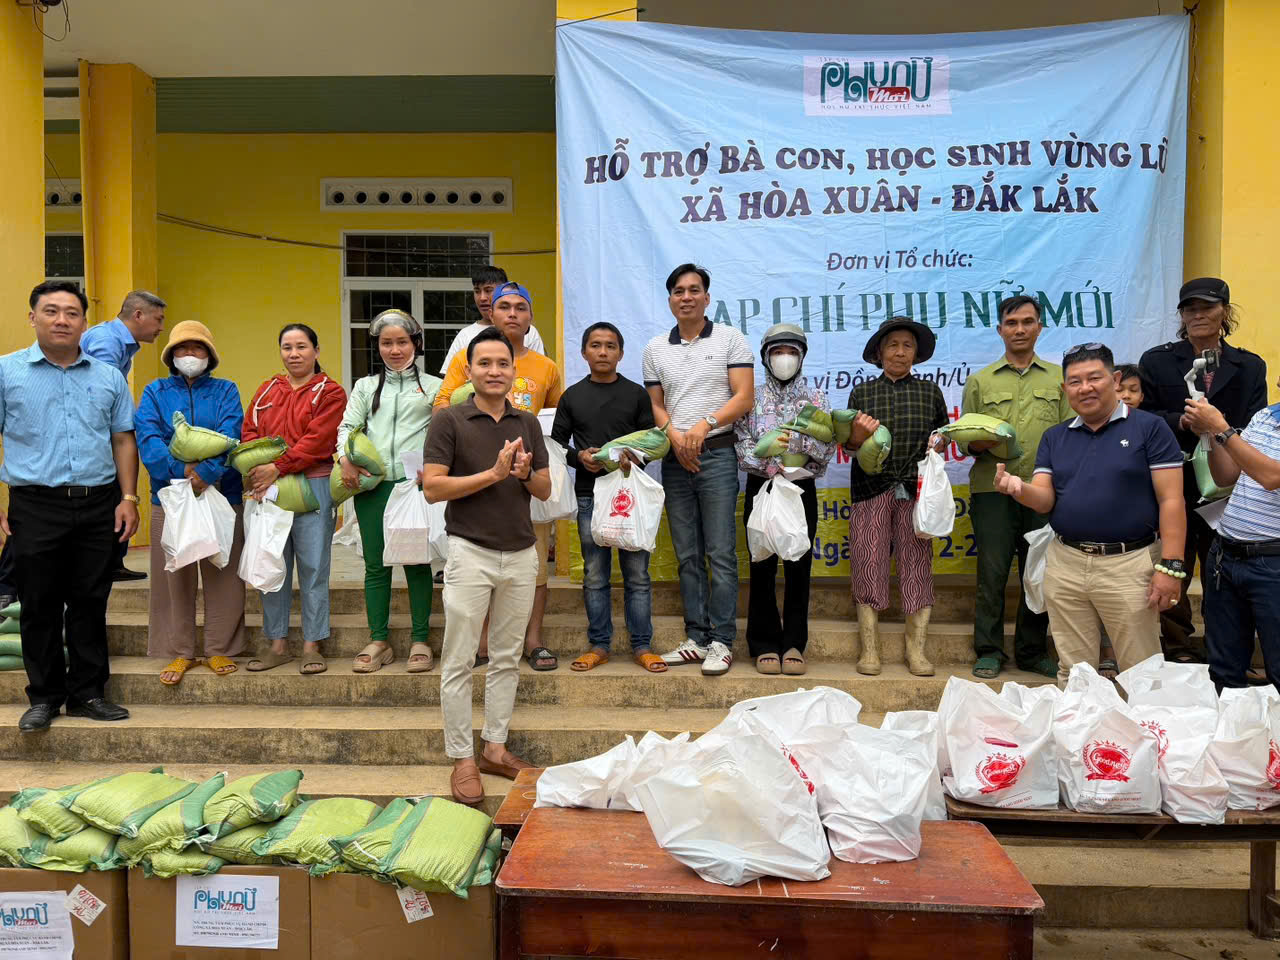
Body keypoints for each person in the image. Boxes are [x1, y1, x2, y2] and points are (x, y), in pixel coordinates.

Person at [994, 343, 1187, 686]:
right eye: (1075, 381)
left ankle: (1142, 737)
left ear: (1114, 380)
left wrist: (1170, 566)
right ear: (1064, 389)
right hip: (1066, 563)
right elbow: (1044, 500)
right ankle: (1083, 739)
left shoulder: (1150, 428)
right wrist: (1018, 488)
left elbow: (1172, 500)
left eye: (1094, 378)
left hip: (1129, 565)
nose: (1085, 388)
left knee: (1140, 673)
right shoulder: (1055, 437)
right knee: (1074, 672)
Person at [1, 281, 139, 731]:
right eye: (51, 311)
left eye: (72, 313)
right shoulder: (7, 372)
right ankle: (43, 697)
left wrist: (129, 497)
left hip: (98, 503)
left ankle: (88, 694)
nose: (62, 320)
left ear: (84, 321)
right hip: (34, 503)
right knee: (38, 603)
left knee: (89, 601)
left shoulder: (108, 376)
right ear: (33, 317)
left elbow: (122, 438)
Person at [423, 325, 551, 806]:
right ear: (469, 369)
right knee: (458, 659)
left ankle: (494, 747)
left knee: (506, 657)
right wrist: (492, 475)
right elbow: (433, 487)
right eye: (485, 364)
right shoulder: (449, 420)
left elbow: (544, 489)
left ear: (514, 371)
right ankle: (461, 757)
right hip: (469, 550)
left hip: (520, 552)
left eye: (503, 364)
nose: (494, 371)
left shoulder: (528, 422)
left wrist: (521, 475)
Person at [1139, 278, 1268, 663]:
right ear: (1181, 315)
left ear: (1224, 312)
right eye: (1189, 308)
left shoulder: (1249, 365)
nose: (1198, 315)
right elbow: (1141, 417)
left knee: (1223, 572)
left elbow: (1255, 423)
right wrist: (1182, 422)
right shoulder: (1157, 360)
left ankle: (1223, 652)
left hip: (1229, 487)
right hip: (1171, 481)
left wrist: (1219, 428)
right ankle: (1177, 648)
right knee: (1172, 562)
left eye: (1207, 307)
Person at [436, 282, 562, 669]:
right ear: (491, 313)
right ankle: (485, 640)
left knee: (533, 562)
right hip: (475, 482)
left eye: (520, 308)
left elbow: (556, 416)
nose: (511, 314)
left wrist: (529, 464)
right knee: (483, 562)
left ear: (530, 317)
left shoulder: (546, 366)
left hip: (527, 477)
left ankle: (533, 638)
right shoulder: (465, 358)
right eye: (503, 306)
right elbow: (443, 403)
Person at [643, 264, 754, 676]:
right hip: (675, 459)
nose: (686, 297)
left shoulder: (729, 338)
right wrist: (675, 436)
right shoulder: (655, 347)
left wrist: (703, 427)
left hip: (718, 455)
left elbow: (744, 397)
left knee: (720, 553)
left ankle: (722, 641)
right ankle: (697, 636)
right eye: (678, 291)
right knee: (687, 554)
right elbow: (655, 404)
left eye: (694, 290)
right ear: (670, 299)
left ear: (707, 297)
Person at [961, 295, 1071, 680]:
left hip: (1042, 489)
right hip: (992, 490)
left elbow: (1070, 436)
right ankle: (988, 650)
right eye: (1012, 323)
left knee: (1036, 571)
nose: (1020, 329)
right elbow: (964, 442)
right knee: (991, 573)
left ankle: (1030, 650)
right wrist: (980, 443)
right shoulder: (981, 380)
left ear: (1040, 327)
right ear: (1000, 330)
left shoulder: (1060, 378)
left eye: (1028, 322)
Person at [134, 320, 247, 685]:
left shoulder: (226, 390)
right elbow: (147, 437)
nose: (190, 356)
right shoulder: (155, 391)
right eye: (182, 349)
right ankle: (179, 651)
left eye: (197, 349)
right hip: (169, 496)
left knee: (224, 574)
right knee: (173, 573)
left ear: (210, 355)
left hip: (220, 494)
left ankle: (219, 648)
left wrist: (208, 472)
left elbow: (232, 435)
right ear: (171, 355)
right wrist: (181, 469)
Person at [551, 322, 661, 673]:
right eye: (595, 345)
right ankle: (599, 644)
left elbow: (652, 443)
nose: (603, 352)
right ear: (583, 352)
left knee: (638, 575)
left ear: (621, 353)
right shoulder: (572, 396)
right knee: (595, 575)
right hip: (589, 497)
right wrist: (578, 457)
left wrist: (634, 455)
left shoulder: (636, 395)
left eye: (610, 346)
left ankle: (642, 645)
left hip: (630, 495)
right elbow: (556, 445)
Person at [337, 309, 442, 674]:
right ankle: (378, 639)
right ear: (377, 347)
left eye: (402, 342)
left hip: (412, 488)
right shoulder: (366, 387)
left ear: (416, 343)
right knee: (375, 566)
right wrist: (345, 459)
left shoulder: (433, 387)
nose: (395, 350)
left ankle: (419, 640)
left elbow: (445, 434)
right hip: (373, 487)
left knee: (416, 564)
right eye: (386, 343)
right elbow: (348, 426)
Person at [846, 317, 949, 678]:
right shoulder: (862, 394)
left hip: (915, 491)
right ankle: (869, 651)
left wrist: (941, 441)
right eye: (893, 345)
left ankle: (915, 651)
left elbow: (943, 437)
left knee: (917, 563)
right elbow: (850, 445)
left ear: (916, 354)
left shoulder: (930, 392)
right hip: (869, 489)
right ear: (879, 352)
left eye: (907, 345)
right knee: (867, 561)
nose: (900, 352)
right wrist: (857, 435)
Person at [242, 323, 346, 675]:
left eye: (302, 347)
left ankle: (312, 644)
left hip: (312, 485)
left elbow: (318, 441)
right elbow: (250, 433)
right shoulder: (267, 389)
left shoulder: (330, 392)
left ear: (317, 351)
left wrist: (278, 466)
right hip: (268, 488)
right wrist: (261, 467)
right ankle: (277, 644)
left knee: (314, 566)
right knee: (273, 563)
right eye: (287, 347)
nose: (294, 354)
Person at [734, 323, 835, 676]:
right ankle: (762, 643)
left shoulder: (818, 398)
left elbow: (826, 450)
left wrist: (797, 444)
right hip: (761, 486)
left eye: (792, 352)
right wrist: (767, 457)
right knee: (760, 562)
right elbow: (741, 444)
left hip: (800, 488)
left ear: (802, 356)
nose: (785, 358)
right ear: (765, 357)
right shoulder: (751, 397)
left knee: (798, 565)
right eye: (778, 352)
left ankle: (794, 642)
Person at [1184, 376, 1280, 689]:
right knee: (1223, 672)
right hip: (1225, 555)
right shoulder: (1266, 415)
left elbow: (1270, 476)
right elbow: (1226, 475)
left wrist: (1223, 428)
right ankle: (1232, 736)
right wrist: (1210, 435)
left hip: (1273, 564)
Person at [80, 290, 167, 582]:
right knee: (113, 494)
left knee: (118, 493)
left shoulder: (120, 343)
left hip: (104, 433)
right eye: (158, 319)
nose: (161, 327)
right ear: (138, 315)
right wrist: (137, 422)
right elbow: (102, 396)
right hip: (97, 437)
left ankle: (112, 562)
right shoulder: (107, 342)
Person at [439, 266, 545, 374]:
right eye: (477, 291)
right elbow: (449, 381)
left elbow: (541, 373)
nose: (482, 298)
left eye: (488, 290)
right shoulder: (465, 335)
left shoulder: (529, 332)